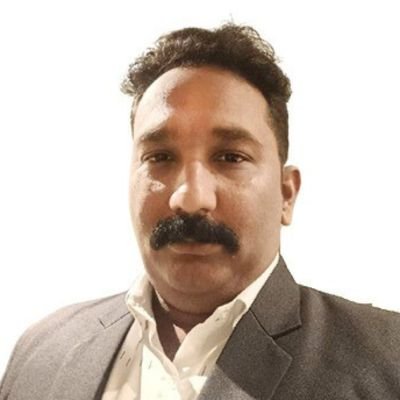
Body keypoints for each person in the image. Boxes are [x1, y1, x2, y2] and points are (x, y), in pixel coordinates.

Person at [1, 23, 399, 400]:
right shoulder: (43, 352)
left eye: (230, 157)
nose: (189, 198)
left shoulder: (387, 364)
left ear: (286, 193)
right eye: (160, 157)